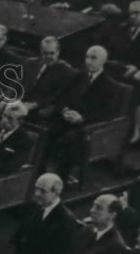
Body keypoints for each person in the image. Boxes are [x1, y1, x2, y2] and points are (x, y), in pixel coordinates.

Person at [45, 45, 118, 183]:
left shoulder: (109, 85)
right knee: (47, 131)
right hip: (67, 119)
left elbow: (107, 113)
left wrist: (82, 118)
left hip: (87, 126)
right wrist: (65, 110)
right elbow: (61, 97)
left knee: (69, 138)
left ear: (103, 61)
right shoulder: (78, 76)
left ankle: (60, 179)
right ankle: (40, 173)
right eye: (87, 57)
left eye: (93, 58)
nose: (88, 61)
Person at [19, 36, 76, 123]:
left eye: (52, 53)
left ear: (58, 52)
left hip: (41, 109)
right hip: (21, 102)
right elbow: (17, 83)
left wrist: (35, 105)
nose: (48, 56)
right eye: (45, 53)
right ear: (41, 51)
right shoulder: (30, 63)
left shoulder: (66, 71)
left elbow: (58, 96)